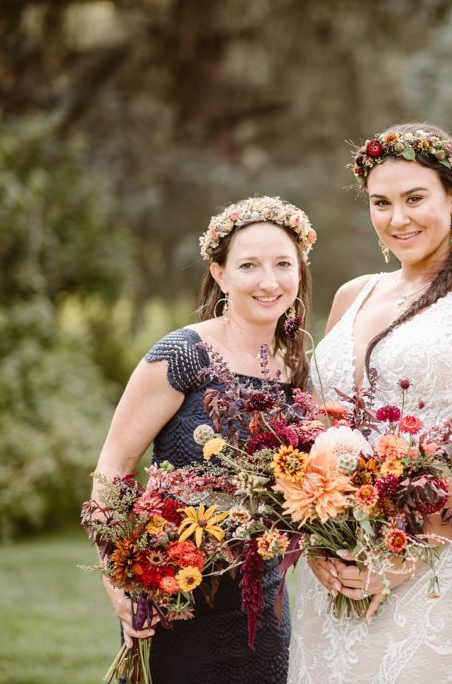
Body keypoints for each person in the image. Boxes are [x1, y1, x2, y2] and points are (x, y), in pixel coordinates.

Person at [288, 123, 452, 683]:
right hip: (337, 567)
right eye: (381, 203)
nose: (397, 218)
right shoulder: (353, 294)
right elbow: (319, 428)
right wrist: (322, 542)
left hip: (434, 566)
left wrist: (405, 554)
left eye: (415, 198)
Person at [90, 196, 317, 683]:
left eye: (283, 264)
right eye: (249, 265)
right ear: (220, 274)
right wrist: (117, 576)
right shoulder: (183, 354)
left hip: (262, 605)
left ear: (299, 271)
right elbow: (114, 464)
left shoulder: (298, 366)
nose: (269, 281)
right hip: (175, 597)